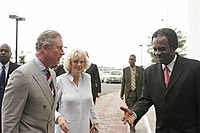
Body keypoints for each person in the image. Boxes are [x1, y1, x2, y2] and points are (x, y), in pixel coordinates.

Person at [120, 28, 200, 133]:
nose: (157, 53)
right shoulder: (149, 72)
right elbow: (145, 100)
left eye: (162, 49)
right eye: (155, 49)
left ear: (174, 47)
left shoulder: (194, 69)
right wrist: (135, 113)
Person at [2, 30, 64, 133]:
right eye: (59, 48)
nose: (62, 52)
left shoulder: (52, 75)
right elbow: (9, 121)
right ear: (45, 48)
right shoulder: (21, 76)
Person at [55, 49, 99, 133]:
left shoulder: (87, 78)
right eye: (75, 61)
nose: (79, 65)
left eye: (81, 62)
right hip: (65, 127)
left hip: (83, 127)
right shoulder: (60, 80)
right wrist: (58, 117)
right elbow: (51, 106)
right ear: (70, 63)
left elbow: (90, 102)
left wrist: (95, 120)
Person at [120, 54, 144, 133]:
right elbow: (123, 82)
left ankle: (133, 124)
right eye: (129, 59)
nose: (130, 61)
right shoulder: (125, 70)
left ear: (135, 60)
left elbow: (144, 82)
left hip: (138, 94)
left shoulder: (141, 70)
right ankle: (132, 128)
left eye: (132, 59)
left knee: (135, 111)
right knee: (131, 110)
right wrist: (121, 93)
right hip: (129, 94)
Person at [0, 43, 20, 131]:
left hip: (11, 109)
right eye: (1, 51)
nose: (3, 53)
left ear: (11, 54)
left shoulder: (18, 69)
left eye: (6, 51)